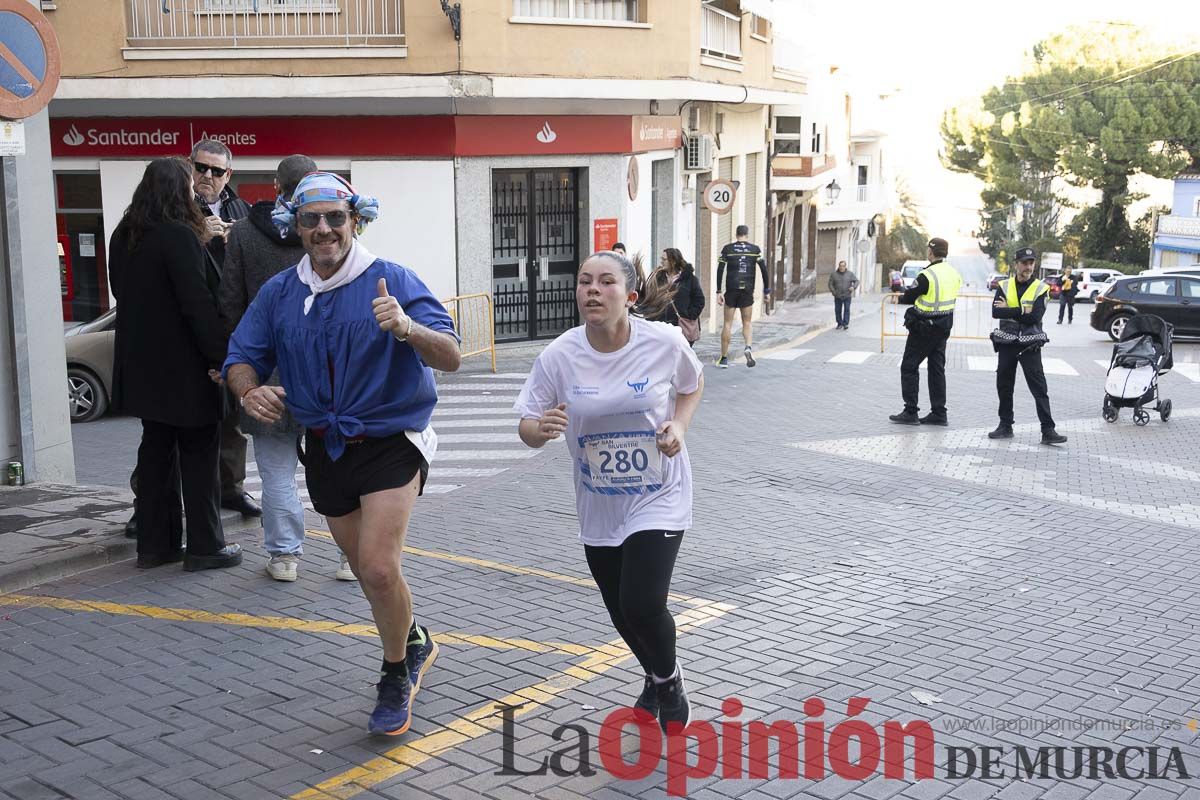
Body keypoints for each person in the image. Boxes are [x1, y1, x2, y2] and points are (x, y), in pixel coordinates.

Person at [223, 172, 461, 736]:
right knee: (366, 570)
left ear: (356, 220)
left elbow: (450, 352)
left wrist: (406, 328)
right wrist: (248, 389)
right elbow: (240, 355)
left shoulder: (390, 278)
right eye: (312, 219)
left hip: (390, 439)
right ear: (296, 226)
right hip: (325, 448)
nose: (324, 229)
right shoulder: (281, 293)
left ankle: (395, 672)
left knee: (378, 568)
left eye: (336, 217)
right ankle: (415, 639)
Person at [515, 250, 705, 733]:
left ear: (630, 296)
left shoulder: (662, 341)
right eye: (584, 282)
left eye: (605, 282)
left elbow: (692, 384)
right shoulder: (560, 354)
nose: (592, 290)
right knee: (620, 609)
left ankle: (669, 679)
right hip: (598, 499)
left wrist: (679, 427)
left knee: (642, 601)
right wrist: (541, 429)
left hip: (658, 491)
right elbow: (527, 424)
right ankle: (655, 673)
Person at [218, 155, 356, 584]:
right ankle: (350, 557)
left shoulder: (242, 233)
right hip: (327, 377)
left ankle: (284, 557)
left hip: (266, 379)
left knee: (276, 470)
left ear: (277, 185)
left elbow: (230, 303)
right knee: (342, 467)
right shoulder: (330, 230)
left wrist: (236, 365)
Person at [109, 157, 243, 572]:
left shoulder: (123, 235)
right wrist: (222, 359)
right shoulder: (179, 236)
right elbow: (197, 305)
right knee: (199, 458)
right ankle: (205, 547)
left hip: (142, 367)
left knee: (155, 454)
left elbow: (123, 293)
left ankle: (156, 545)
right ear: (177, 191)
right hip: (185, 371)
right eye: (189, 185)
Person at [192, 138, 260, 519]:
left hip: (233, 325)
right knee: (184, 416)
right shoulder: (177, 206)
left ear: (228, 175)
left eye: (216, 171)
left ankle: (231, 488)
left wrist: (238, 240)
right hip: (193, 326)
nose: (207, 176)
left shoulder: (242, 209)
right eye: (201, 167)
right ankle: (157, 496)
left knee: (232, 417)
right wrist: (198, 234)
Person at [988, 248, 1068, 445]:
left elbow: (1035, 317)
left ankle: (1048, 430)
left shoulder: (1041, 288)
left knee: (1039, 387)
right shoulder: (1004, 285)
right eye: (1024, 263)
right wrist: (1022, 311)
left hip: (1029, 343)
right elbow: (996, 313)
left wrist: (1010, 309)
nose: (1028, 267)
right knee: (1004, 385)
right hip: (1007, 340)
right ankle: (1005, 425)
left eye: (1031, 263)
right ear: (1016, 264)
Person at [889, 238, 961, 426]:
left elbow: (909, 296)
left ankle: (910, 411)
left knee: (909, 366)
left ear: (931, 252)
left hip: (924, 327)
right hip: (944, 326)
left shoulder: (927, 275)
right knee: (937, 369)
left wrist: (903, 295)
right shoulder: (954, 274)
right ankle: (939, 413)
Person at [716, 224, 770, 368]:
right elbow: (764, 270)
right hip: (747, 289)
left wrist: (718, 291)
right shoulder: (755, 250)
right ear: (747, 234)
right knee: (747, 322)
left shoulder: (728, 249)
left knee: (728, 323)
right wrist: (767, 291)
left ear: (736, 234)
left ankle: (724, 359)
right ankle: (748, 347)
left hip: (731, 289)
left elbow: (720, 269)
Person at [644, 248, 705, 346]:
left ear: (673, 261)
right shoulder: (657, 278)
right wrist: (650, 318)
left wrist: (689, 315)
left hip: (681, 327)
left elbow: (699, 300)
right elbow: (649, 297)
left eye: (664, 259)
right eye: (661, 259)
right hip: (660, 327)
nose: (661, 262)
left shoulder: (690, 279)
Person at [829, 260, 859, 330]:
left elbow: (857, 281)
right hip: (837, 295)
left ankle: (845, 324)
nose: (842, 267)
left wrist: (853, 287)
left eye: (843, 266)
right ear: (838, 266)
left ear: (845, 267)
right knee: (838, 310)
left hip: (847, 295)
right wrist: (834, 292)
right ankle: (839, 324)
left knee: (847, 309)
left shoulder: (850, 274)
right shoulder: (834, 274)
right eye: (840, 266)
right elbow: (830, 284)